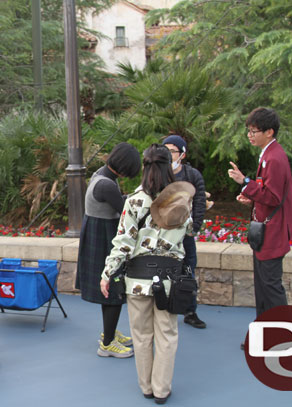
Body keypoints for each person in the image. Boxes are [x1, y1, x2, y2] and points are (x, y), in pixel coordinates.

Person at [100, 144, 194, 404]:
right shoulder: (182, 201)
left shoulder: (133, 202)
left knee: (141, 335)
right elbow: (188, 234)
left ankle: (146, 387)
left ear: (144, 167)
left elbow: (123, 242)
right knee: (167, 334)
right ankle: (162, 390)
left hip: (137, 281)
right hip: (169, 281)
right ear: (169, 167)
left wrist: (107, 274)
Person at [228, 107, 292, 345]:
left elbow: (273, 197)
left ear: (269, 132)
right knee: (263, 286)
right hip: (268, 232)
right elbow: (268, 193)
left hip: (273, 233)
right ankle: (261, 337)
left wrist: (245, 182)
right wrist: (251, 194)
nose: (250, 135)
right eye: (248, 130)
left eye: (254, 130)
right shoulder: (269, 155)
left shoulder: (274, 158)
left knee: (270, 287)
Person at [76, 142, 141, 358]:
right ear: (124, 167)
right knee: (113, 289)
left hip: (99, 232)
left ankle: (109, 333)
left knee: (111, 289)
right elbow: (127, 210)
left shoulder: (100, 174)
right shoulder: (106, 185)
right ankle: (107, 344)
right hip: (103, 236)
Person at [162, 135, 207, 329]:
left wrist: (194, 227)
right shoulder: (158, 174)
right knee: (164, 270)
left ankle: (190, 311)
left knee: (188, 269)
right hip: (164, 234)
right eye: (165, 150)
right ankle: (164, 307)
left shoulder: (192, 174)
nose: (168, 155)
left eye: (172, 151)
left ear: (182, 153)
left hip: (185, 233)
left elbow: (200, 201)